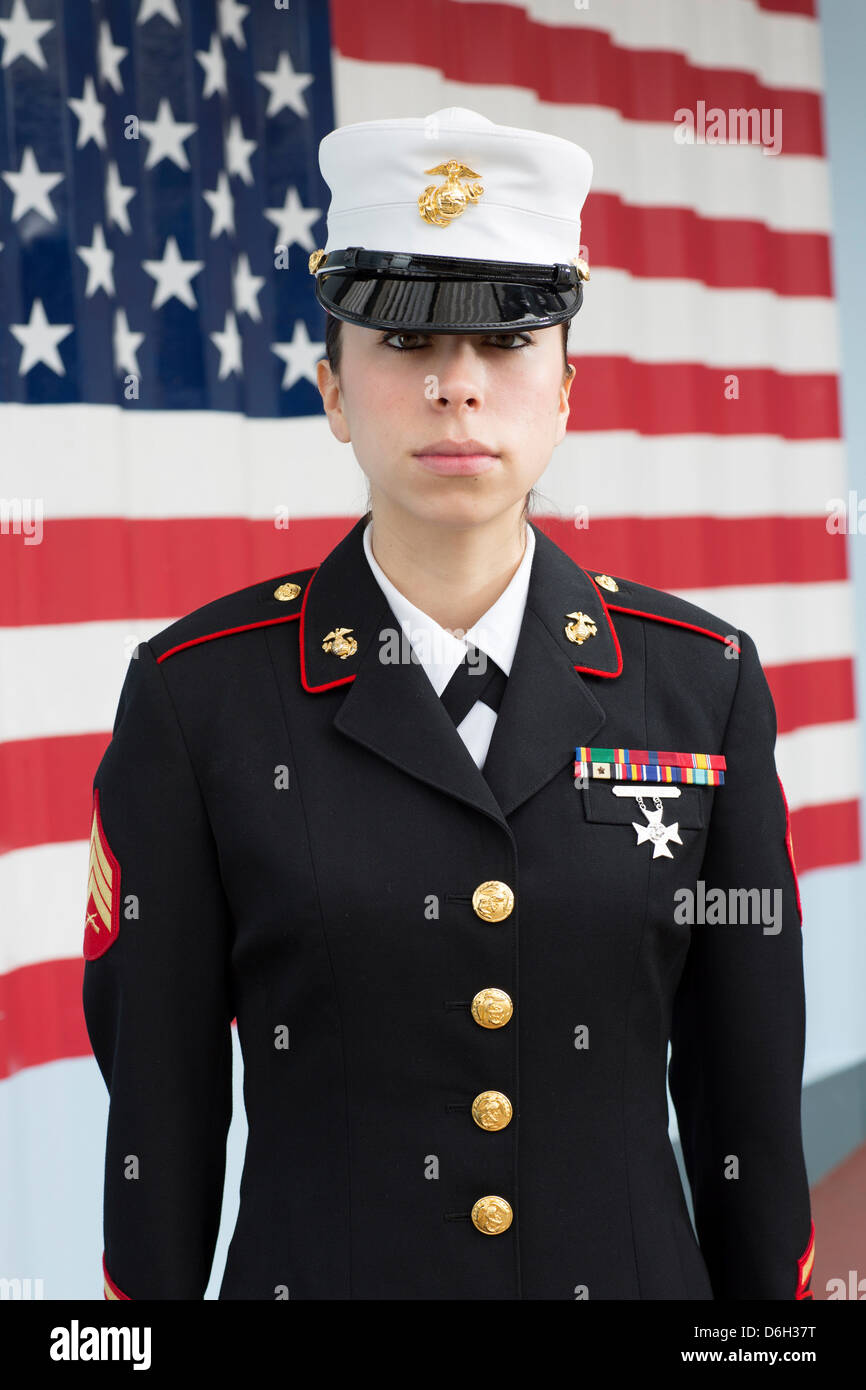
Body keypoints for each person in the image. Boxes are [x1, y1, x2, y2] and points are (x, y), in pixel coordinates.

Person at [83, 106, 815, 1301]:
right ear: (331, 388)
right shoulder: (197, 698)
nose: (455, 388)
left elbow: (747, 1092)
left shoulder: (699, 685)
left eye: (506, 342)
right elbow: (157, 1118)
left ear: (567, 389)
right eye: (405, 341)